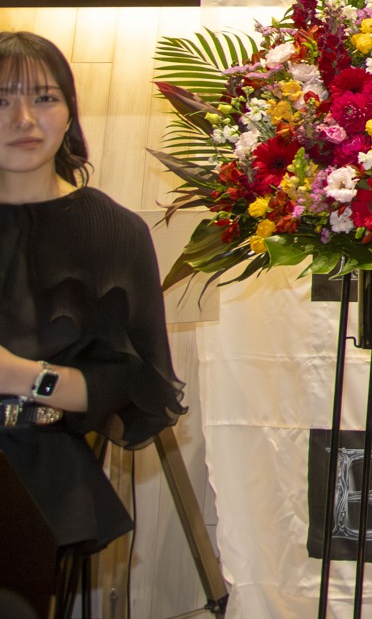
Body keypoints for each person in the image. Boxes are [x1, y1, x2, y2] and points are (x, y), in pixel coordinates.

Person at [0, 33, 183, 605]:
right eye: (1, 100)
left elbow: (137, 391)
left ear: (70, 112)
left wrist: (19, 376)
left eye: (44, 98)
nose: (24, 119)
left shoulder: (112, 232)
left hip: (32, 473)